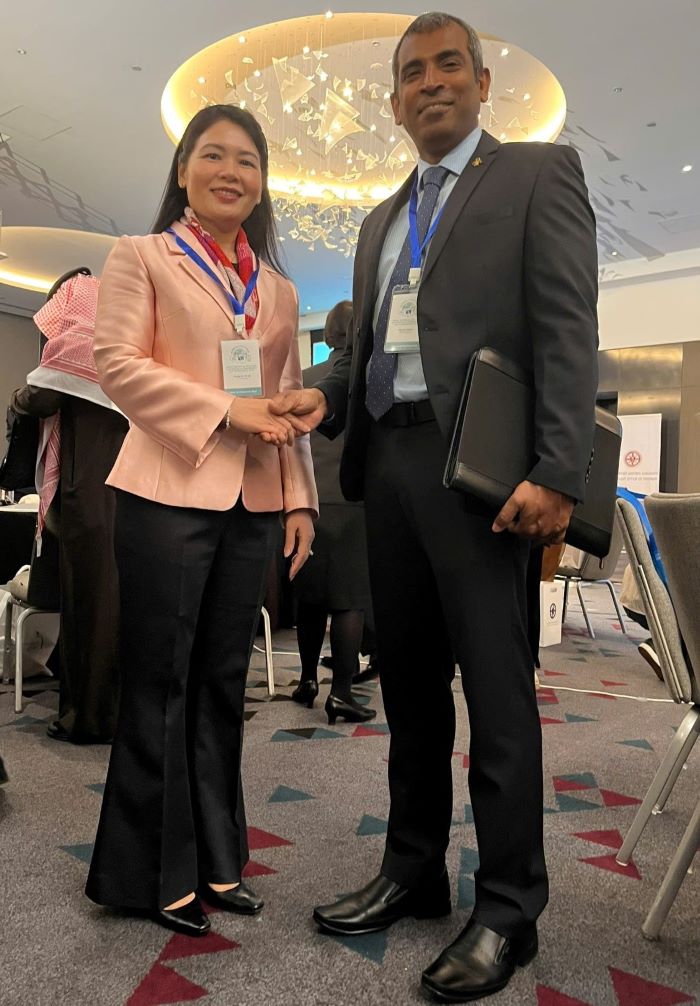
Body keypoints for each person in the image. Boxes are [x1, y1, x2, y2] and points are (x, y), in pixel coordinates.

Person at [271, 13, 598, 1002]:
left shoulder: (535, 175)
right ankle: (412, 870)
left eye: (448, 65)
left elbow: (567, 326)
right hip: (391, 469)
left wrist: (558, 468)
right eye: (411, 73)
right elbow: (367, 349)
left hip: (486, 478)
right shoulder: (379, 221)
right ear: (394, 101)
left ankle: (509, 908)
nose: (430, 83)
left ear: (483, 82)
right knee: (410, 695)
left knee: (496, 701)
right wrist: (321, 393)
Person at [84, 104, 317, 939]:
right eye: (212, 155)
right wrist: (226, 410)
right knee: (162, 683)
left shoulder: (279, 290)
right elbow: (117, 364)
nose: (231, 171)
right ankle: (152, 872)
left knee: (223, 683)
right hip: (165, 491)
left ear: (262, 183)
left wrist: (300, 498)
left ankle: (218, 857)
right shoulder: (141, 256)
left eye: (247, 160)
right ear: (182, 171)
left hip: (251, 500)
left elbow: (284, 401)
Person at [10, 268, 128, 743]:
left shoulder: (77, 345)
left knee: (89, 605)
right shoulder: (121, 341)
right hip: (127, 493)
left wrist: (17, 397)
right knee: (116, 603)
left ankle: (89, 717)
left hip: (88, 494)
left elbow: (38, 397)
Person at [292, 301, 376, 725]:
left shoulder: (305, 379)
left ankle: (307, 679)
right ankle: (341, 692)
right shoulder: (370, 381)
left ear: (326, 336)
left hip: (308, 502)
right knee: (349, 604)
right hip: (352, 501)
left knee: (310, 599)